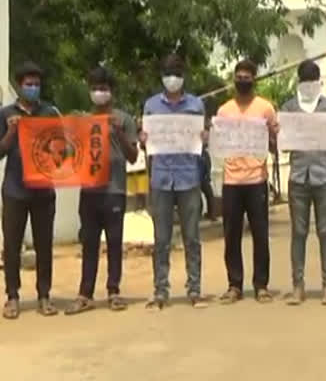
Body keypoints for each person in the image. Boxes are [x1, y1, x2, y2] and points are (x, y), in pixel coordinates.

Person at [65, 67, 138, 315]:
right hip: (89, 190)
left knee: (115, 243)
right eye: (95, 88)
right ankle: (85, 293)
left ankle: (114, 291)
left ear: (112, 92)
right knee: (89, 243)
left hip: (114, 190)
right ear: (89, 92)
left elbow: (133, 156)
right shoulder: (83, 121)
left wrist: (117, 131)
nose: (100, 93)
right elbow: (69, 155)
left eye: (104, 89)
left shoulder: (124, 119)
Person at [141, 54, 206, 310]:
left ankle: (195, 289)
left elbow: (203, 138)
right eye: (168, 72)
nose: (172, 77)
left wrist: (205, 136)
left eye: (177, 72)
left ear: (183, 75)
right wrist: (144, 138)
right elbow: (144, 142)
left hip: (189, 176)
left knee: (192, 237)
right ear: (162, 76)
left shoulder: (196, 105)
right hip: (161, 178)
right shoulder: (151, 106)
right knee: (161, 239)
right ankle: (160, 291)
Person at [0, 62, 61, 319]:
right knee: (12, 245)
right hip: (15, 190)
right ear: (19, 85)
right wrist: (12, 131)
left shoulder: (50, 112)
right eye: (28, 84)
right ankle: (12, 296)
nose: (33, 88)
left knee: (44, 245)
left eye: (36, 84)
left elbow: (64, 148)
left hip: (43, 190)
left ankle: (44, 296)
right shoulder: (5, 114)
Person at [281, 60, 326, 306]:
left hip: (324, 177)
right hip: (298, 177)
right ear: (299, 81)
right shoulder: (289, 107)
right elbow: (284, 145)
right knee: (298, 233)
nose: (309, 84)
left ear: (319, 80)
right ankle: (298, 286)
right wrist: (281, 137)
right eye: (305, 79)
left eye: (313, 79)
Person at [216, 60, 278, 304]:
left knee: (260, 233)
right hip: (231, 180)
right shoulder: (224, 111)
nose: (242, 80)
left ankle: (261, 285)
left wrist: (275, 137)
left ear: (254, 79)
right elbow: (218, 146)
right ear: (234, 80)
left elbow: (274, 144)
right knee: (231, 235)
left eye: (247, 77)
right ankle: (234, 284)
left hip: (257, 179)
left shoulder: (265, 108)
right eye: (238, 77)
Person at [199, 121, 216, 221]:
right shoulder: (198, 153)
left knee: (209, 194)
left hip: (204, 177)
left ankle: (211, 214)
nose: (206, 140)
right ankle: (198, 215)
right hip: (196, 177)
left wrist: (208, 175)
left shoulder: (205, 153)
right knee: (197, 197)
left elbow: (208, 166)